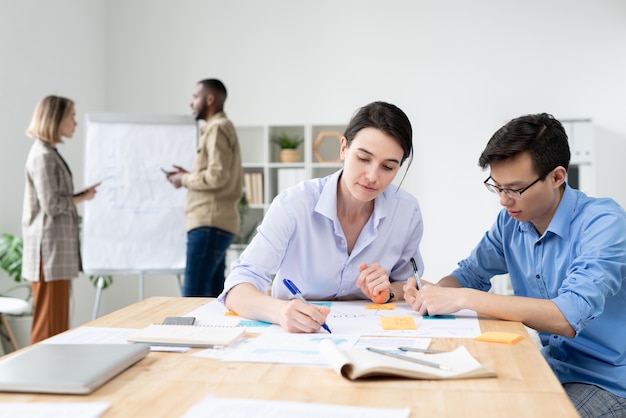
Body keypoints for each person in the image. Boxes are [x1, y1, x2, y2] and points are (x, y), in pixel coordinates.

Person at [404, 113, 626, 417]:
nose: (503, 201)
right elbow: (470, 274)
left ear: (558, 177)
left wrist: (464, 298)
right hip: (549, 365)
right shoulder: (511, 222)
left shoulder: (603, 223)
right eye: (497, 187)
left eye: (516, 189)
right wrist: (434, 293)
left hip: (607, 380)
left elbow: (568, 316)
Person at [219, 101, 425, 333]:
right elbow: (237, 287)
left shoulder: (407, 212)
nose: (372, 176)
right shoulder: (293, 206)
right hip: (296, 336)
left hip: (368, 334)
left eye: (387, 167)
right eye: (363, 159)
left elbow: (409, 285)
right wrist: (279, 311)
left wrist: (387, 292)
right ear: (343, 148)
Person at [22, 95, 99, 344]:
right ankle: (38, 380)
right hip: (49, 252)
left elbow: (55, 199)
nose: (75, 123)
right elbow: (52, 204)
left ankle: (50, 379)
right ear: (56, 119)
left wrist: (82, 196)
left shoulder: (49, 153)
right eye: (72, 116)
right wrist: (80, 199)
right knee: (48, 327)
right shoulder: (43, 156)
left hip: (55, 252)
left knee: (56, 327)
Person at [167, 79, 243, 297]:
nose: (191, 103)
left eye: (195, 97)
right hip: (216, 223)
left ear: (210, 100)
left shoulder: (217, 129)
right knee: (212, 296)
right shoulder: (221, 128)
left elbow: (217, 176)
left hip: (208, 223)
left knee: (193, 296)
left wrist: (184, 179)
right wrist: (187, 175)